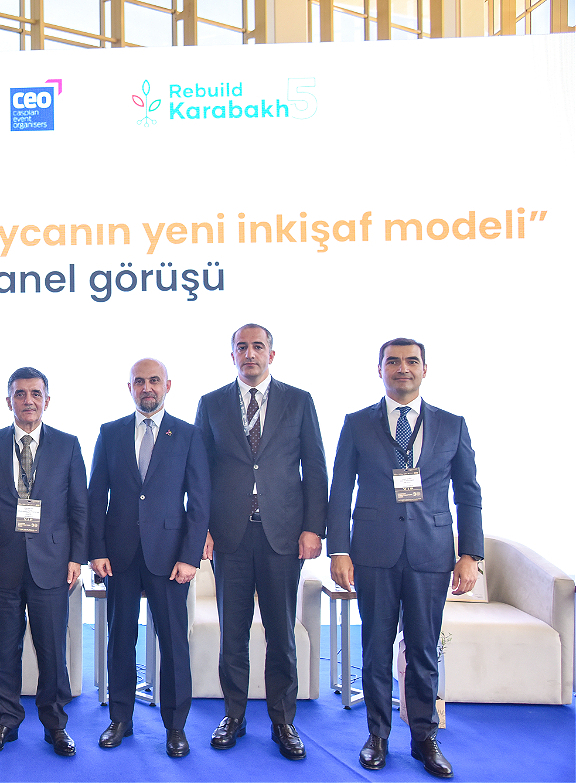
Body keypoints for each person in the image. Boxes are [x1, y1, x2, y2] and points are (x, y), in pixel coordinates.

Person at [327, 338, 482, 779]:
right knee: (375, 649)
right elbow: (340, 490)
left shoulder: (452, 425)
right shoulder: (357, 423)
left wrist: (470, 554)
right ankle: (377, 736)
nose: (402, 368)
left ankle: (423, 738)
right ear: (379, 370)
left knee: (423, 651)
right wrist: (339, 549)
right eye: (392, 361)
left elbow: (469, 494)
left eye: (411, 361)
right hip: (373, 552)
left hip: (431, 554)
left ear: (424, 369)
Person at [194, 324, 327, 760]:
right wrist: (201, 527)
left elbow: (315, 468)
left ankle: (283, 721)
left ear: (272, 354)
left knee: (281, 634)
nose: (249, 354)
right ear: (232, 355)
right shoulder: (211, 403)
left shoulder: (299, 401)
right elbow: (199, 472)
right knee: (232, 634)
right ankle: (233, 716)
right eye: (241, 347)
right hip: (229, 536)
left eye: (257, 347)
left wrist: (313, 528)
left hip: (282, 536)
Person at [88, 358, 210, 759]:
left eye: (154, 380)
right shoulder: (110, 433)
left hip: (171, 557)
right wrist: (96, 551)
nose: (147, 387)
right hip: (119, 556)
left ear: (167, 385)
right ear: (129, 388)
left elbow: (200, 501)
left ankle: (175, 727)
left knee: (174, 643)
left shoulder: (188, 435)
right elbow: (95, 497)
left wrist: (190, 556)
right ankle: (120, 719)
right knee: (120, 640)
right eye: (139, 381)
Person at [0, 367, 88, 757]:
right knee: (3, 649)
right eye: (20, 394)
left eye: (36, 393)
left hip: (53, 564)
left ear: (47, 400)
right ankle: (6, 722)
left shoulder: (68, 446)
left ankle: (55, 726)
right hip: (0, 564)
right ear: (9, 401)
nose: (28, 400)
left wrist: (77, 558)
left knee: (52, 650)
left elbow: (79, 507)